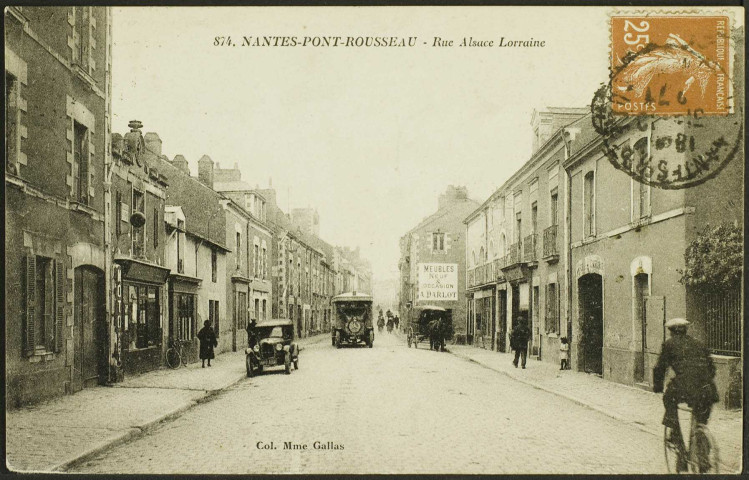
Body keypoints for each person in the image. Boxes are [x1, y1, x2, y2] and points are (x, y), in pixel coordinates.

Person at [653, 318, 719, 472]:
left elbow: (660, 368)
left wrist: (657, 387)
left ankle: (679, 446)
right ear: (685, 330)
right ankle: (702, 452)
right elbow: (712, 369)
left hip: (684, 388)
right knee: (700, 420)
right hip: (707, 389)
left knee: (668, 398)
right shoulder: (699, 344)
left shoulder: (669, 344)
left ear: (671, 331)